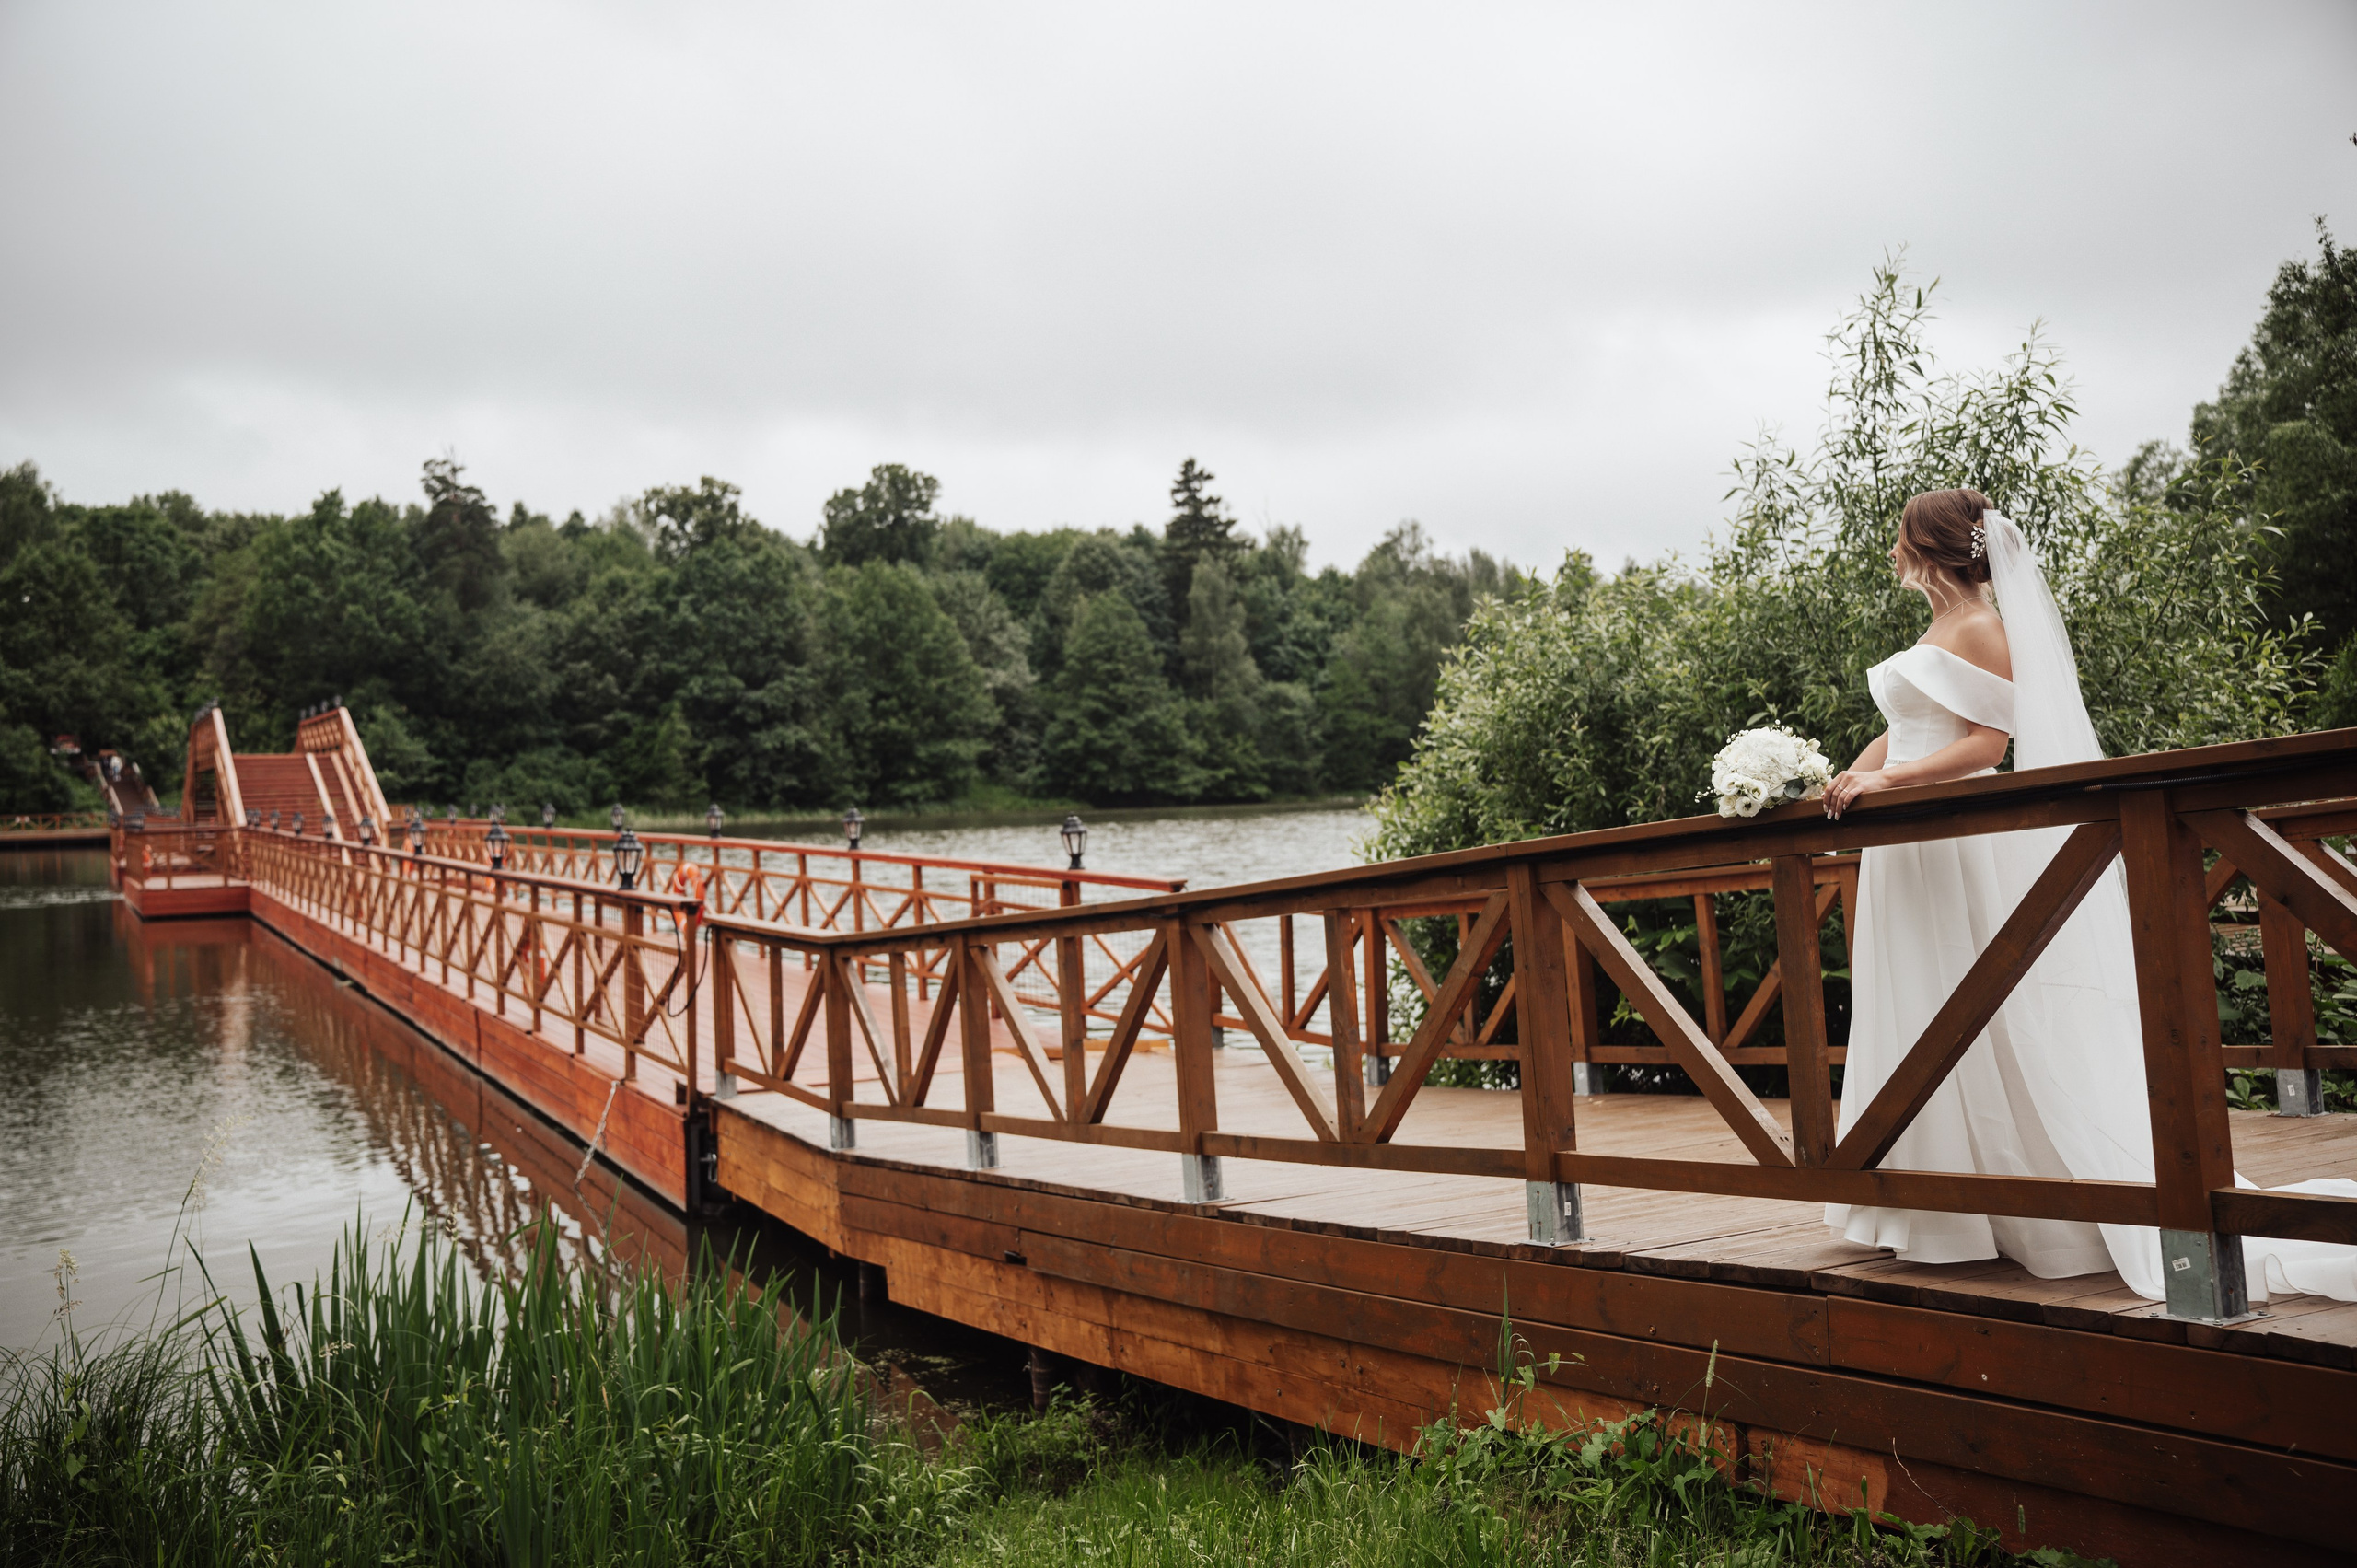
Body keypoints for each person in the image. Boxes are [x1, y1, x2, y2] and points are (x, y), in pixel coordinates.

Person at [1819, 487, 2357, 1302]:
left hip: (1952, 842)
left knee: (1972, 1006)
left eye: (1899, 538)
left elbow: (1986, 745)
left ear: (1926, 546)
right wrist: (1849, 775)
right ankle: (1926, 1205)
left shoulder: (1981, 627)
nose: (1891, 551)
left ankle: (2013, 1203)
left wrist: (1888, 780)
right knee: (1916, 1003)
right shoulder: (1935, 630)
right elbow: (1907, 725)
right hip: (1904, 848)